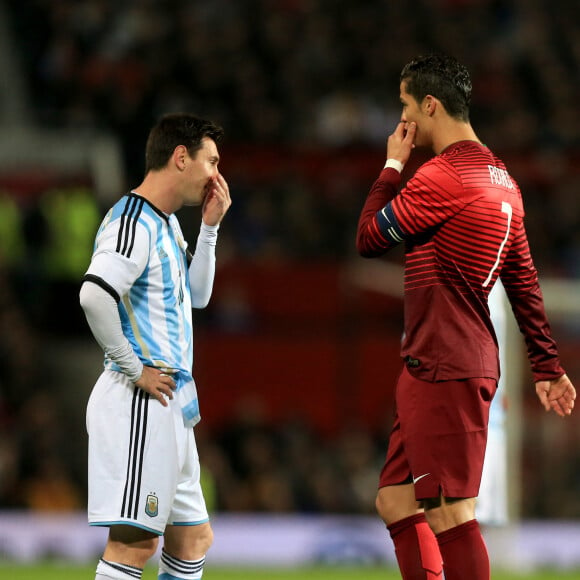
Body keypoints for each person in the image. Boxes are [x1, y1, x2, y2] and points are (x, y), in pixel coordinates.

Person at [355, 54, 575, 580]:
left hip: (446, 363)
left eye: (406, 107)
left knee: (452, 513)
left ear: (430, 105)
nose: (402, 122)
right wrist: (547, 366)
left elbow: (368, 237)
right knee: (394, 500)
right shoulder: (504, 181)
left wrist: (391, 165)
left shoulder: (441, 177)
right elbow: (522, 282)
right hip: (438, 361)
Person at [79, 113, 231, 580]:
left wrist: (209, 229)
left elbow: (199, 294)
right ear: (180, 158)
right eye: (211, 161)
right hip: (140, 399)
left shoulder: (165, 224)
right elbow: (93, 294)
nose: (217, 175)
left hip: (171, 402)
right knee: (135, 544)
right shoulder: (132, 222)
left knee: (192, 539)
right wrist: (134, 369)